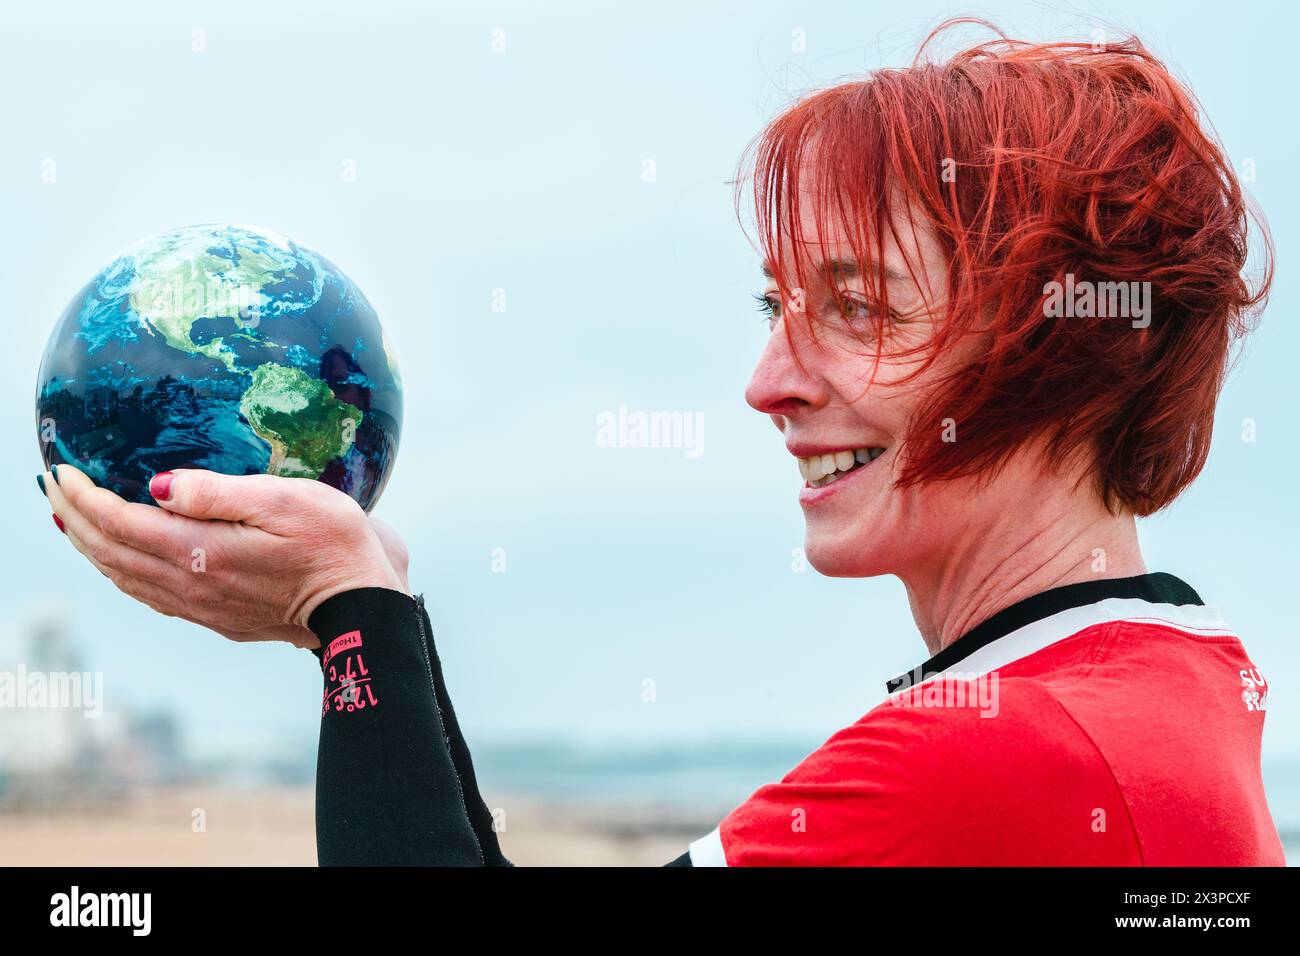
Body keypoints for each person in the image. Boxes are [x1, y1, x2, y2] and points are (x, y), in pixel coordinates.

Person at [38, 23, 1284, 866]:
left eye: (855, 307)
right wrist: (368, 614)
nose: (766, 384)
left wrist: (345, 615)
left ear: (1066, 348)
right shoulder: (1177, 678)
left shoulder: (997, 753)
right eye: (773, 309)